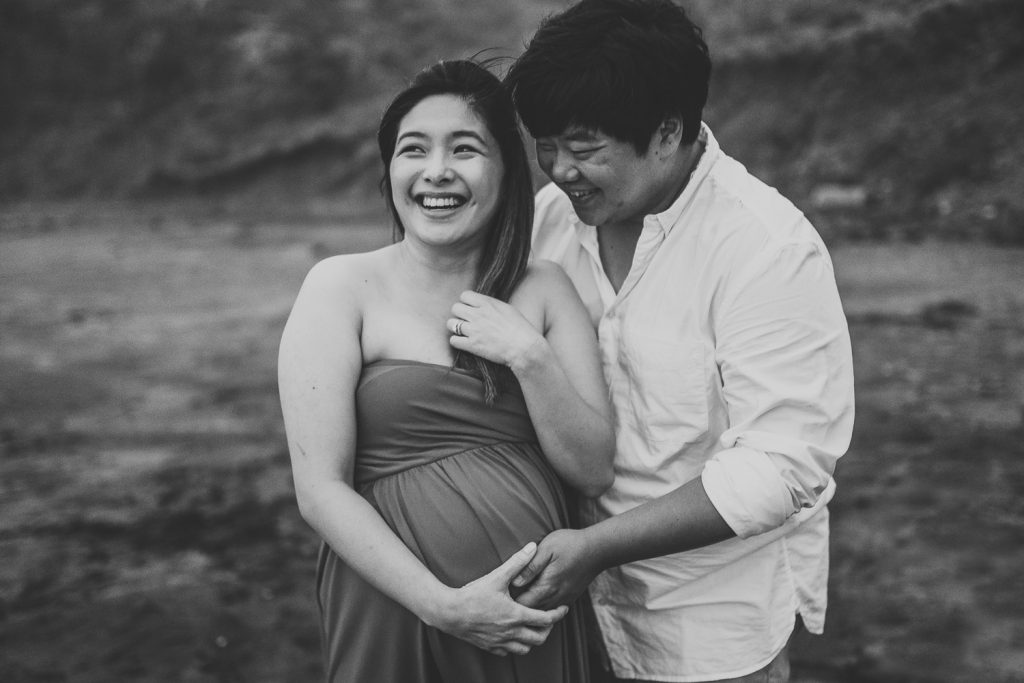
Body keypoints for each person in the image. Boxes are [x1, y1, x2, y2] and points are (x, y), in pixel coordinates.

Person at [503, 1, 856, 681]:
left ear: (666, 133)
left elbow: (782, 467)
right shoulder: (548, 223)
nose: (558, 169)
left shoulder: (765, 247)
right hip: (562, 626)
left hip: (705, 631)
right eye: (546, 145)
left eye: (583, 148)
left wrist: (596, 547)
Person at [277, 59, 615, 683]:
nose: (437, 171)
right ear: (391, 171)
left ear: (506, 171)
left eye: (465, 149)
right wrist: (444, 607)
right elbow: (320, 488)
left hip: (528, 616)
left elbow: (591, 469)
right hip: (396, 606)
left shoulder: (544, 288)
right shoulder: (342, 287)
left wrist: (528, 356)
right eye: (413, 150)